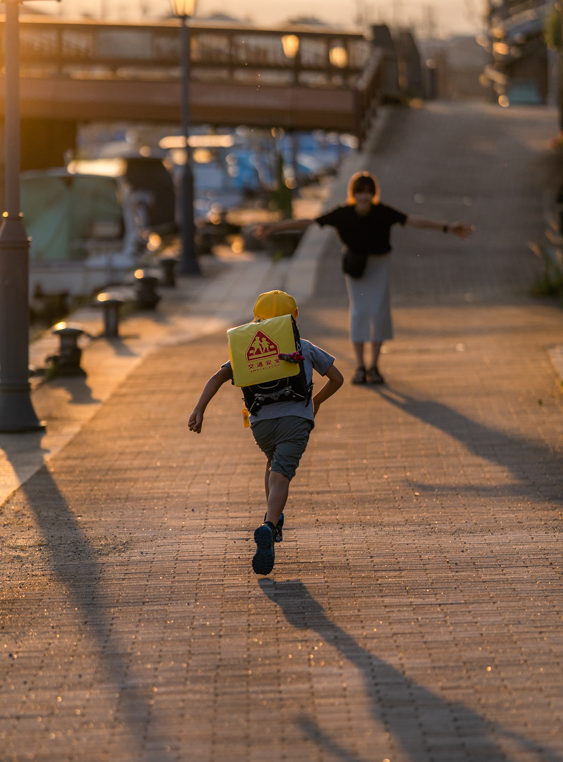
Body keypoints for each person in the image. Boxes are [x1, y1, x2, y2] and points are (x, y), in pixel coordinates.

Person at [256, 171, 474, 385]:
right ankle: (360, 366)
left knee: (379, 310)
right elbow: (309, 222)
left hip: (380, 264)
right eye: (359, 192)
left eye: (368, 192)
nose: (364, 196)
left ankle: (374, 366)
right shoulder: (344, 213)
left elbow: (414, 220)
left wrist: (448, 227)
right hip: (356, 266)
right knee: (359, 311)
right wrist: (275, 227)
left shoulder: (382, 212)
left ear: (373, 194)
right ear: (353, 193)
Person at [188, 290, 343, 576]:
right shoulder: (305, 347)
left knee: (273, 463)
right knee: (281, 473)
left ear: (256, 320)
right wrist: (317, 401)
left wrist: (200, 409)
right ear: (294, 317)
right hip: (296, 421)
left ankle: (274, 516)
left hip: (261, 426)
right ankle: (269, 527)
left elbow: (218, 376)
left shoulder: (245, 350)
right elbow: (337, 378)